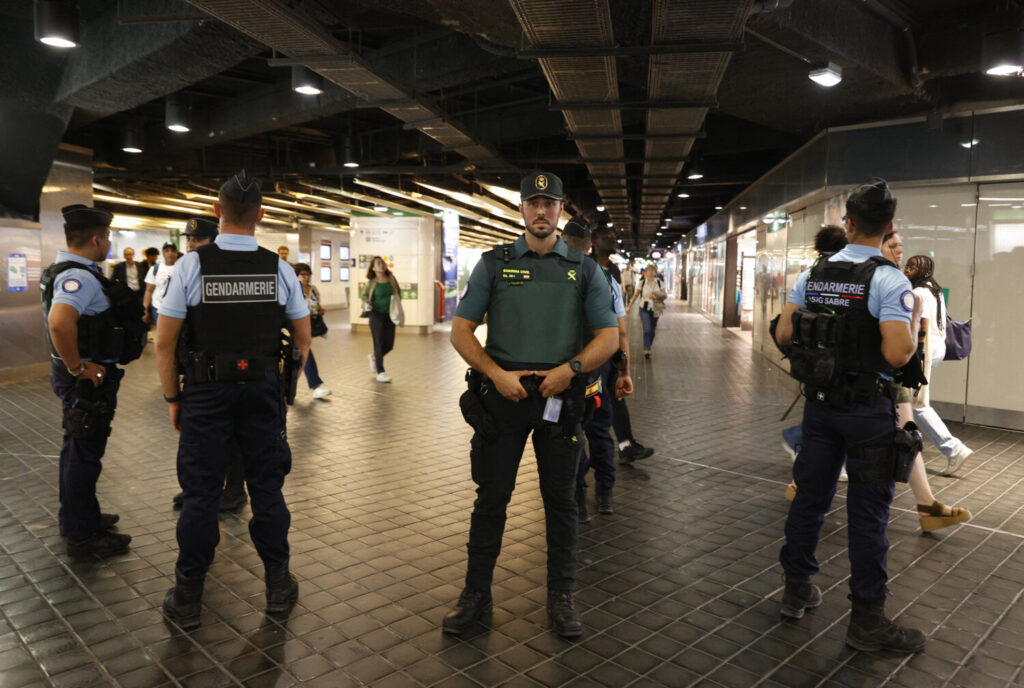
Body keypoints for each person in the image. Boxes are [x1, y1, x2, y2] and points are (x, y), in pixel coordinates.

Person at [446, 171, 618, 638]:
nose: (541, 211)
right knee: (491, 499)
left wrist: (573, 371)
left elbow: (609, 336)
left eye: (550, 203)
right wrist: (495, 374)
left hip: (560, 399)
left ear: (562, 210)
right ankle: (475, 596)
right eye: (533, 203)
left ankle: (561, 597)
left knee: (561, 502)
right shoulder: (494, 264)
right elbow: (461, 330)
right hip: (504, 397)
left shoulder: (584, 269)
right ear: (521, 209)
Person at [774, 178, 927, 653]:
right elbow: (899, 354)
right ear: (889, 228)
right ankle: (867, 621)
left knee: (810, 500)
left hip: (820, 408)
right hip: (867, 411)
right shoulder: (889, 278)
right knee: (867, 515)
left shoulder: (815, 272)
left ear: (850, 223)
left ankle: (796, 591)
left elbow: (783, 334)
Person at [156, 170, 310, 629]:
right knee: (267, 488)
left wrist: (173, 398)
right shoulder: (279, 268)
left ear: (217, 213)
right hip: (262, 390)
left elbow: (165, 344)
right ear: (260, 216)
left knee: (202, 493)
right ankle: (278, 587)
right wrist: (284, 391)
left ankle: (187, 599)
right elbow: (301, 339)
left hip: (205, 391)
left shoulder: (190, 266)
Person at [41, 205, 146, 557]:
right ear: (98, 239)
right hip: (87, 382)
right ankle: (82, 536)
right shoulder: (80, 277)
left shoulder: (64, 270)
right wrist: (77, 367)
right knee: (85, 454)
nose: (110, 243)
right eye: (109, 237)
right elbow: (59, 322)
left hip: (81, 379)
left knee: (76, 449)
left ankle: (77, 516)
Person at [169, 217, 249, 513]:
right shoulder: (188, 268)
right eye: (188, 239)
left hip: (231, 368)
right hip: (198, 368)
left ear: (213, 240)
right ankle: (200, 488)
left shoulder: (226, 268)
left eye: (196, 239)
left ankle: (234, 489)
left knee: (231, 436)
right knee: (201, 437)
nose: (190, 244)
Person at [561, 219, 632, 520]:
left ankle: (578, 495)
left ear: (561, 242)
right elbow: (621, 332)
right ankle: (605, 494)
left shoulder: (551, 276)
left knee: (571, 431)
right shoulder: (605, 279)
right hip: (597, 367)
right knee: (600, 429)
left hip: (561, 370)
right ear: (589, 246)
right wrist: (624, 371)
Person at [782, 225, 850, 484]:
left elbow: (784, 332)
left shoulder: (809, 276)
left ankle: (809, 469)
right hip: (843, 363)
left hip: (812, 359)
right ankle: (799, 445)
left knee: (821, 414)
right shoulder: (862, 276)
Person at [904, 254, 973, 476]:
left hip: (924, 351)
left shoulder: (918, 292)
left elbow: (921, 325)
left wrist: (916, 356)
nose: (908, 269)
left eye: (913, 267)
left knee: (916, 404)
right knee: (903, 403)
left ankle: (954, 449)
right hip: (937, 348)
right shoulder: (934, 289)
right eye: (908, 265)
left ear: (923, 270)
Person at [294, 263, 332, 399]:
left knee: (298, 357)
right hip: (295, 325)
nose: (306, 277)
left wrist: (320, 310)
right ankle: (316, 385)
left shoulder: (313, 289)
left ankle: (286, 387)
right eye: (302, 274)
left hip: (309, 324)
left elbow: (316, 305)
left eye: (308, 274)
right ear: (296, 276)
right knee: (306, 353)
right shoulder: (293, 289)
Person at [361, 256, 401, 383]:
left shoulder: (392, 279)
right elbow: (364, 297)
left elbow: (398, 293)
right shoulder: (371, 283)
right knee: (378, 343)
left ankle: (373, 358)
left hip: (390, 315)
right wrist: (366, 304)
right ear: (373, 268)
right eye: (378, 264)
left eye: (383, 263)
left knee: (389, 345)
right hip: (375, 315)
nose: (382, 265)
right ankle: (381, 372)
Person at [627, 264, 667, 358]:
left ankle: (649, 346)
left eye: (652, 270)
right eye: (648, 270)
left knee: (652, 330)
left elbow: (664, 295)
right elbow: (636, 295)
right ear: (645, 272)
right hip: (643, 308)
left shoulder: (660, 282)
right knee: (647, 329)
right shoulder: (642, 282)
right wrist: (629, 306)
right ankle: (646, 349)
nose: (650, 272)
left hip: (656, 309)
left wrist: (657, 296)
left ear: (655, 272)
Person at [143, 242, 178, 327]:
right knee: (161, 335)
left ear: (176, 253)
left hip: (176, 309)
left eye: (173, 251)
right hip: (158, 309)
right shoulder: (155, 269)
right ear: (163, 253)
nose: (170, 253)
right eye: (167, 251)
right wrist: (145, 310)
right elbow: (149, 291)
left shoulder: (181, 268)